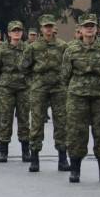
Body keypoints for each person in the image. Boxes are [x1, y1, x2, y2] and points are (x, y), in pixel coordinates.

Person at [61, 13, 100, 184]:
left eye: (92, 26)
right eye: (86, 26)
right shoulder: (71, 49)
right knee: (76, 132)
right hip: (78, 97)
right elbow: (65, 76)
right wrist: (75, 88)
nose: (89, 29)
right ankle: (75, 169)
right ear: (80, 29)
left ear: (97, 29)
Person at [20, 15, 68, 172]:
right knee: (37, 122)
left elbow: (68, 66)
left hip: (58, 88)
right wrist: (32, 83)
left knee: (61, 122)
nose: (48, 29)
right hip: (39, 88)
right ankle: (35, 157)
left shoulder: (62, 46)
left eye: (50, 26)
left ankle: (62, 158)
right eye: (45, 26)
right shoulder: (33, 47)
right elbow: (24, 68)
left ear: (54, 28)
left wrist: (63, 81)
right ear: (41, 28)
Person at [0, 21, 29, 163]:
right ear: (9, 34)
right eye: (14, 31)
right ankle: (4, 150)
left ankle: (26, 150)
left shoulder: (28, 49)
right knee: (5, 118)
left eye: (19, 30)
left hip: (24, 88)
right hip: (6, 88)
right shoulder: (1, 51)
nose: (17, 33)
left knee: (24, 119)